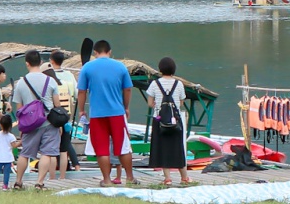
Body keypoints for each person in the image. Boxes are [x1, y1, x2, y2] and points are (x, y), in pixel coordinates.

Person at [76, 39, 136, 187]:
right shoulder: (120, 66)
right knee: (123, 147)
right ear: (110, 52)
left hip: (97, 114)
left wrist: (82, 110)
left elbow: (82, 91)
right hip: (117, 112)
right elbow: (127, 89)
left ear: (95, 52)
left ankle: (107, 180)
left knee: (102, 148)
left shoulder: (87, 68)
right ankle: (129, 177)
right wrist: (126, 107)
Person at [12, 50, 60, 190]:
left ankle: (18, 182)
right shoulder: (50, 80)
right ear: (40, 62)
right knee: (46, 153)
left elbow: (19, 108)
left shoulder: (21, 83)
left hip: (30, 124)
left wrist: (21, 126)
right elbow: (57, 104)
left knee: (25, 153)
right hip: (49, 121)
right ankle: (39, 183)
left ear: (27, 63)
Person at [147, 57, 190, 186]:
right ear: (174, 70)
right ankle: (184, 177)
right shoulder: (179, 84)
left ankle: (167, 179)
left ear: (160, 69)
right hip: (175, 121)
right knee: (178, 148)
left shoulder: (155, 84)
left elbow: (150, 103)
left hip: (160, 121)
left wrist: (158, 106)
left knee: (163, 148)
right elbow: (181, 102)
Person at [47, 50, 79, 174]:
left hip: (54, 113)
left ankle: (57, 171)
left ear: (51, 61)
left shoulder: (48, 76)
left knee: (55, 144)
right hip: (67, 112)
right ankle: (71, 167)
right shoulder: (70, 75)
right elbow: (76, 93)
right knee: (65, 143)